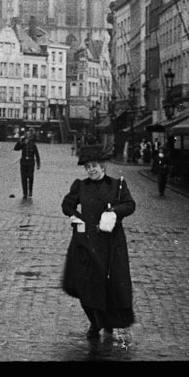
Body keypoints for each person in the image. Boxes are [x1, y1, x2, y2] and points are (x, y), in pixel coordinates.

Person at [61, 146, 139, 343]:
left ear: (103, 166)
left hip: (111, 244)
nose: (91, 170)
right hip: (86, 243)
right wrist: (77, 217)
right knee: (86, 285)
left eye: (94, 166)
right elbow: (67, 205)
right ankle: (95, 322)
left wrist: (114, 212)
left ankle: (108, 322)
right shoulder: (80, 185)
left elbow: (130, 205)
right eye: (88, 167)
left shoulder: (117, 185)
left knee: (110, 286)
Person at [13, 130, 43, 202]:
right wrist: (20, 141)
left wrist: (38, 164)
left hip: (30, 163)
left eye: (29, 137)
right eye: (27, 136)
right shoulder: (23, 144)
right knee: (23, 178)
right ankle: (25, 193)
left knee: (30, 177)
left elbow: (37, 155)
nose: (28, 138)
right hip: (23, 163)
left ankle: (30, 191)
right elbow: (16, 148)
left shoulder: (33, 144)